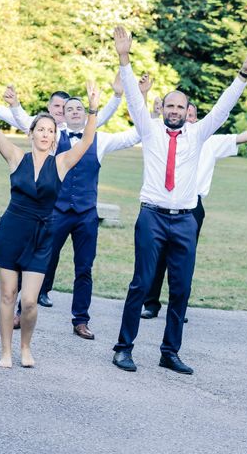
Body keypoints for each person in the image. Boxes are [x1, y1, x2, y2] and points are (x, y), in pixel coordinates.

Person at [111, 25, 247, 374]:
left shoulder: (198, 134)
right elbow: (135, 100)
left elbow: (223, 109)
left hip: (185, 219)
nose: (176, 110)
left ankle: (170, 352)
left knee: (181, 288)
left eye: (181, 106)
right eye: (171, 105)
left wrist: (242, 75)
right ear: (162, 108)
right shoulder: (149, 130)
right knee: (141, 282)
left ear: (187, 110)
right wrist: (124, 58)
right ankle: (124, 348)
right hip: (151, 216)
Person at [0, 60, 99, 368]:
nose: (45, 134)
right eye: (40, 129)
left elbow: (86, 141)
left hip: (42, 235)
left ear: (55, 137)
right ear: (31, 133)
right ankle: (6, 350)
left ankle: (25, 347)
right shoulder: (17, 157)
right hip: (12, 231)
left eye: (50, 131)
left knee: (29, 302)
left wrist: (93, 111)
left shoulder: (61, 162)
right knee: (7, 295)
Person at [12, 75, 154, 339]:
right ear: (62, 116)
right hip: (56, 212)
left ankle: (80, 319)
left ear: (86, 112)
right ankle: (22, 309)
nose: (75, 112)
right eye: (69, 109)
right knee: (40, 260)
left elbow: (137, 133)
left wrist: (142, 97)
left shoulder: (102, 140)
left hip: (86, 215)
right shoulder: (53, 139)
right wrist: (14, 105)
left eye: (79, 108)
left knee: (84, 268)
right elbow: (27, 126)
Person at [140, 116, 247, 320]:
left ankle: (178, 308)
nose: (188, 120)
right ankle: (151, 304)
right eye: (185, 115)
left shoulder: (209, 141)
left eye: (192, 115)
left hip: (192, 206)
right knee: (159, 255)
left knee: (183, 259)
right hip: (164, 202)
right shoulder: (166, 139)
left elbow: (239, 138)